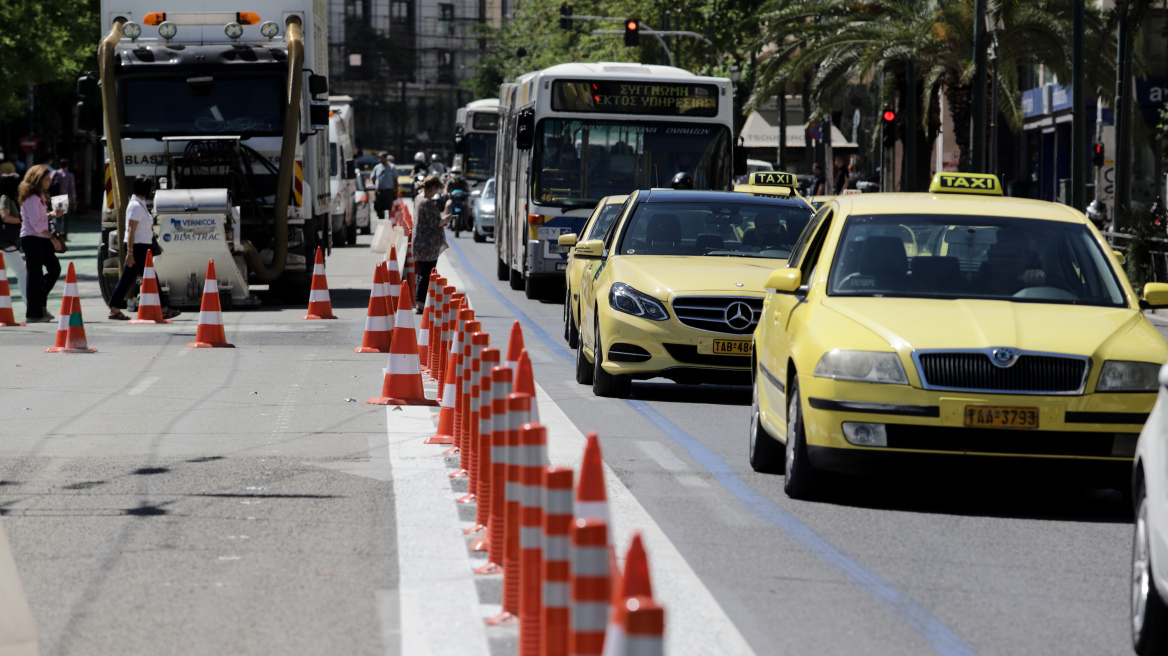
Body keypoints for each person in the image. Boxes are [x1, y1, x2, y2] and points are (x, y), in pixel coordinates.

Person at [107, 175, 180, 321]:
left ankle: (114, 308)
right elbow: (131, 230)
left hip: (141, 246)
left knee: (127, 278)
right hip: (137, 248)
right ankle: (164, 308)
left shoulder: (139, 204)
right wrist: (130, 253)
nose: (152, 190)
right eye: (151, 187)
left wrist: (153, 243)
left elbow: (144, 229)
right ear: (145, 189)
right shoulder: (135, 206)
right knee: (150, 276)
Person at [18, 165, 64, 322]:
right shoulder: (32, 198)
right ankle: (34, 312)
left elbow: (39, 219)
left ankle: (39, 305)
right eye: (46, 179)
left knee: (54, 269)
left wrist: (52, 214)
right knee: (35, 274)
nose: (50, 181)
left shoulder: (40, 197)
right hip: (32, 238)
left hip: (40, 238)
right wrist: (52, 238)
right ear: (38, 180)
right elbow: (36, 224)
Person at [412, 175, 450, 312]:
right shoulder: (427, 202)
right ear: (433, 188)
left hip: (420, 243)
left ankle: (423, 302)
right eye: (436, 190)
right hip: (427, 245)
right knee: (426, 274)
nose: (436, 193)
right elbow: (435, 224)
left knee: (424, 272)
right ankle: (420, 304)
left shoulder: (418, 198)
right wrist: (445, 220)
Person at [977, 228, 1046, 296]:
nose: (1008, 257)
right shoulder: (970, 289)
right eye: (1001, 251)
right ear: (990, 256)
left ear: (1028, 258)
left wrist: (1035, 288)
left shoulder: (1048, 290)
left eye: (1015, 252)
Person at [0, 173, 28, 311]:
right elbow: (5, 217)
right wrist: (22, 220)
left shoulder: (10, 198)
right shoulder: (5, 198)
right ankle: (31, 307)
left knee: (3, 274)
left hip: (7, 243)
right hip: (7, 243)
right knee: (22, 273)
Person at [50, 159, 77, 238]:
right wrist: (74, 200)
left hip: (56, 197)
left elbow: (51, 183)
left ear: (60, 165)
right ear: (67, 166)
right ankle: (64, 235)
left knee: (55, 216)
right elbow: (72, 189)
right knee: (66, 218)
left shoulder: (55, 173)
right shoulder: (70, 175)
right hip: (66, 198)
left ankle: (55, 232)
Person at [371, 152, 395, 220]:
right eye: (380, 158)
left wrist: (395, 191)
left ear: (385, 158)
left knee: (388, 207)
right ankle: (381, 219)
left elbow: (395, 179)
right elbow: (372, 177)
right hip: (379, 191)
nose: (381, 160)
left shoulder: (392, 167)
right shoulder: (377, 167)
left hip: (388, 191)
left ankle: (389, 221)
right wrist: (373, 186)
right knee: (378, 207)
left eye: (382, 158)